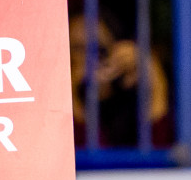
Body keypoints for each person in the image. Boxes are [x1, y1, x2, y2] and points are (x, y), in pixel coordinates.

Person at [68, 10, 172, 148]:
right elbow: (89, 158)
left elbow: (159, 152)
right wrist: (70, 94)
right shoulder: (54, 106)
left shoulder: (134, 100)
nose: (88, 57)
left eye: (98, 48)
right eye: (77, 48)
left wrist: (155, 78)